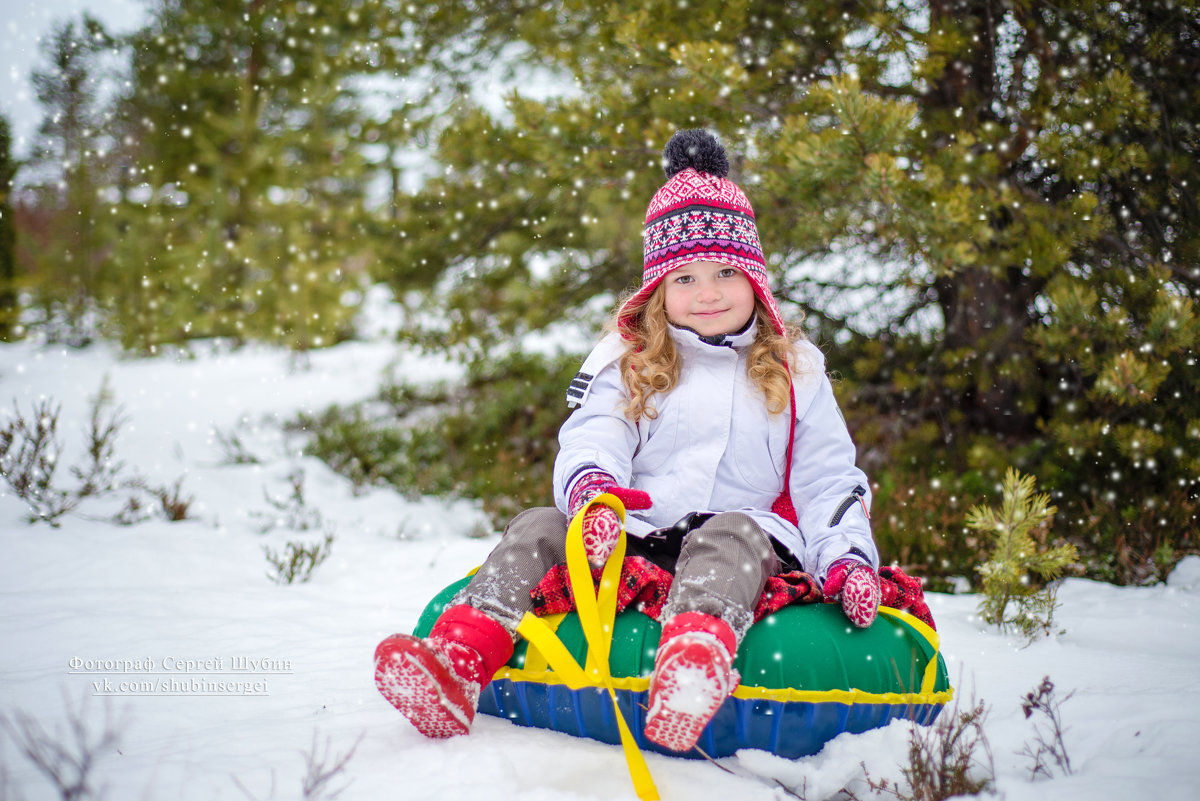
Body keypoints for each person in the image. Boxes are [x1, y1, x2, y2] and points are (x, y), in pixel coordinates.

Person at [374, 129, 882, 752]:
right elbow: (597, 431)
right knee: (537, 524)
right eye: (685, 278)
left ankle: (691, 665)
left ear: (754, 276)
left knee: (732, 536)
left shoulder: (796, 368)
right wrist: (595, 496)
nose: (709, 293)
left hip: (740, 536)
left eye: (725, 271)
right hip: (631, 541)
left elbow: (827, 478)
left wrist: (846, 557)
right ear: (659, 289)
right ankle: (458, 662)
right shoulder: (631, 358)